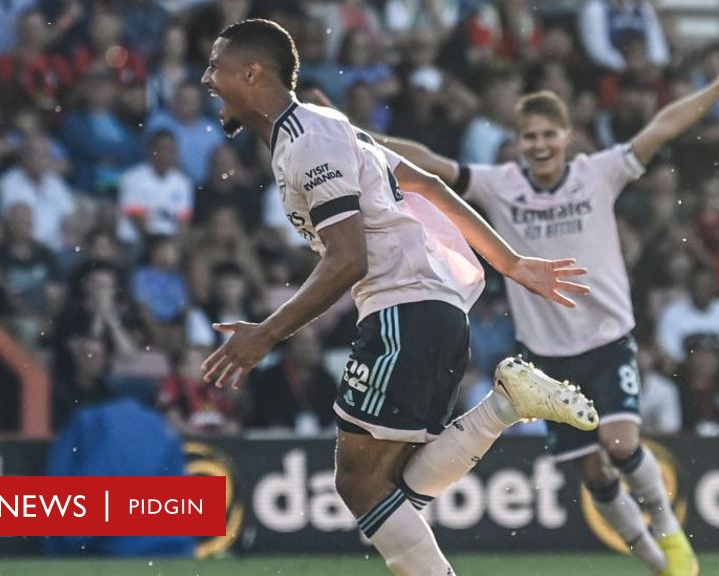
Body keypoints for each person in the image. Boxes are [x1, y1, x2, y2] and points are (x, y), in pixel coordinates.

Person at [198, 19, 597, 576]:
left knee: (358, 482)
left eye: (215, 67)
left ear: (251, 72)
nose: (206, 78)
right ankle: (507, 405)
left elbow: (347, 259)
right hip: (431, 312)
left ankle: (506, 408)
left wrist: (265, 334)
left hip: (401, 313)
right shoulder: (324, 128)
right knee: (389, 488)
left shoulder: (306, 139)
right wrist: (510, 264)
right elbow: (428, 186)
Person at [372, 38, 719, 576]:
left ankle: (672, 537)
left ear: (568, 137)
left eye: (548, 135)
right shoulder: (501, 185)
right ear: (517, 141)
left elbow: (665, 127)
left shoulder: (598, 173)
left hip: (606, 340)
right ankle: (660, 564)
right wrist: (358, 140)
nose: (539, 145)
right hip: (546, 357)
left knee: (620, 442)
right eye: (529, 136)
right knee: (596, 476)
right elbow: (431, 165)